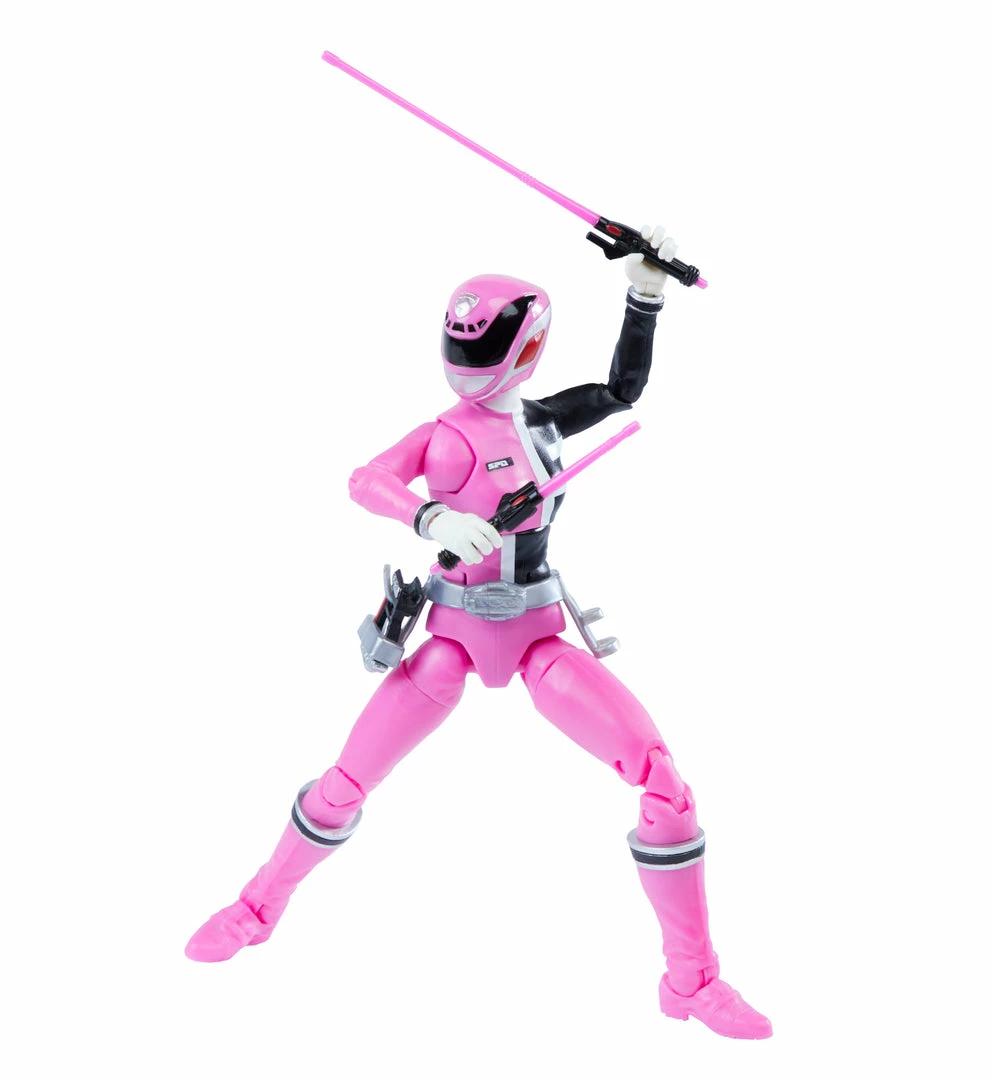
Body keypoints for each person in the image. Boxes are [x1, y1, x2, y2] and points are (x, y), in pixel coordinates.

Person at [186, 229, 771, 1040]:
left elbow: (621, 390)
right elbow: (366, 479)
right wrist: (429, 516)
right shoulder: (442, 434)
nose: (468, 357)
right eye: (461, 340)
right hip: (451, 640)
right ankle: (256, 908)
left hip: (537, 638)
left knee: (665, 785)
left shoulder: (543, 424)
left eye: (483, 341)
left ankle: (691, 981)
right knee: (343, 784)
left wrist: (645, 296)